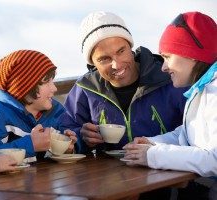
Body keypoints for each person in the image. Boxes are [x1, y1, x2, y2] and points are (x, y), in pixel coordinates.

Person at [60, 11, 188, 154]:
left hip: (169, 170)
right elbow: (65, 131)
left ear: (130, 46)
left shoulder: (169, 79)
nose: (117, 65)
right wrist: (80, 137)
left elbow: (194, 132)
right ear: (93, 64)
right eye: (104, 59)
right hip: (109, 175)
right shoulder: (85, 89)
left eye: (121, 51)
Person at [123, 11, 217, 199]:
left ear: (191, 54)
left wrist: (153, 156)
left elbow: (214, 159)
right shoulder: (202, 88)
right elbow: (188, 133)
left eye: (167, 57)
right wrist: (153, 142)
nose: (164, 67)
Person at [0, 50, 77, 162]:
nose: (54, 88)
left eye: (52, 81)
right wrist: (31, 145)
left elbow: (75, 143)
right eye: (46, 82)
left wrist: (69, 148)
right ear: (24, 87)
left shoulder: (55, 111)